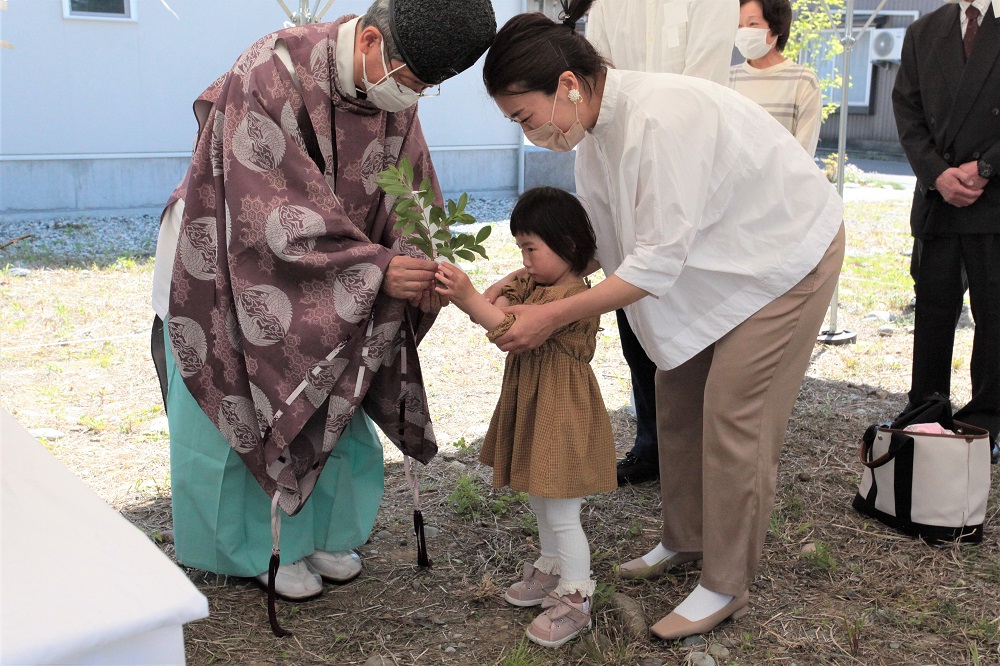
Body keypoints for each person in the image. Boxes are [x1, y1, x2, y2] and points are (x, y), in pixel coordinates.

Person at [482, 0, 844, 639]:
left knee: (735, 413)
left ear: (567, 86)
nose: (528, 133)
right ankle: (686, 538)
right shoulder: (592, 135)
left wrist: (553, 316)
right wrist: (528, 277)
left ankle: (726, 583)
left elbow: (654, 259)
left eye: (526, 117)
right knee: (676, 392)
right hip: (717, 264)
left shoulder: (661, 117)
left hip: (785, 256)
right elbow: (607, 238)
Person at [149, 0, 496, 610]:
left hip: (345, 270)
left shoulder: (394, 89)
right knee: (247, 397)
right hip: (229, 260)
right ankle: (254, 548)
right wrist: (376, 269)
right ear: (368, 41)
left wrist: (414, 258)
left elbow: (409, 186)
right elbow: (266, 219)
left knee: (344, 385)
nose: (410, 97)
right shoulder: (268, 74)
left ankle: (326, 533)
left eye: (425, 89)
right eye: (410, 80)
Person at [434, 187, 616, 648]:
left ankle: (576, 594)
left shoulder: (573, 296)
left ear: (569, 247)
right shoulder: (538, 282)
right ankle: (551, 567)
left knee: (562, 510)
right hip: (538, 406)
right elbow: (499, 304)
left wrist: (471, 296)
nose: (525, 260)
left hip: (562, 414)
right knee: (541, 497)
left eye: (531, 248)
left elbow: (507, 328)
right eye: (521, 249)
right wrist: (494, 288)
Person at [586, 0, 739, 485]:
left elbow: (705, 85)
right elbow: (598, 70)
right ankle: (652, 441)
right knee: (636, 322)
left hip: (689, 161)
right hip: (622, 154)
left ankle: (701, 448)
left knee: (700, 321)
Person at [892, 0, 1000, 464]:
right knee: (933, 310)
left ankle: (989, 421)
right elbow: (908, 113)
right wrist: (938, 174)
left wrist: (986, 167)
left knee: (995, 314)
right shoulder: (923, 30)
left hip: (994, 197)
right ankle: (925, 411)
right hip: (938, 198)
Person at [729, 0, 822, 157]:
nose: (744, 31)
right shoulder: (727, 78)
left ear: (777, 27)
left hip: (784, 180)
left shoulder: (804, 81)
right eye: (739, 26)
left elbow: (803, 154)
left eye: (752, 24)